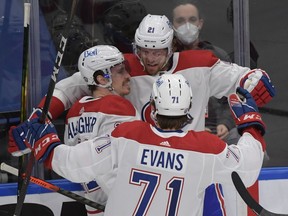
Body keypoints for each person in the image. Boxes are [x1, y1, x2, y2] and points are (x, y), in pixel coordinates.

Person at [12, 14, 275, 214]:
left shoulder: (199, 65)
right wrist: (40, 114)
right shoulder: (120, 66)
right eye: (144, 50)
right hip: (170, 158)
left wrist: (255, 77)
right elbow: (73, 85)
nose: (149, 58)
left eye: (157, 51)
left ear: (171, 46)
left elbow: (242, 76)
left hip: (189, 166)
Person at [9, 74, 267, 216]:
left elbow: (72, 164)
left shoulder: (127, 135)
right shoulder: (207, 148)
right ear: (189, 108)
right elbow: (249, 166)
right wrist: (250, 124)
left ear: (152, 106)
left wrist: (46, 142)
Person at [63, 45, 140, 215]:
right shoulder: (118, 107)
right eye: (120, 71)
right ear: (102, 79)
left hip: (94, 208)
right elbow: (127, 164)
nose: (128, 76)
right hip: (125, 207)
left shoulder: (74, 112)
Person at [172, 1, 239, 145]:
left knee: (248, 144)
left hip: (218, 133)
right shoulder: (167, 60)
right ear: (173, 25)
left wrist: (226, 123)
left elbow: (233, 95)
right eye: (180, 21)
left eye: (192, 20)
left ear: (200, 23)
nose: (187, 25)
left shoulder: (216, 56)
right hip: (179, 135)